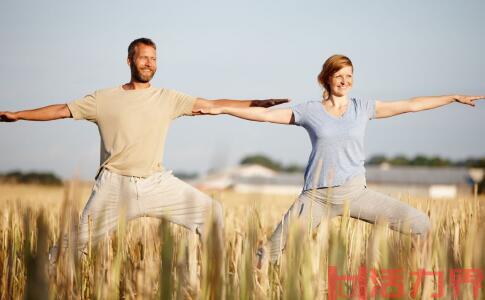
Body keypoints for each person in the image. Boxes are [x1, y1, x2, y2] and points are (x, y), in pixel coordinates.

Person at [0, 38, 288, 262]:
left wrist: (254, 103)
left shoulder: (167, 98)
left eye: (153, 58)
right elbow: (62, 110)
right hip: (114, 187)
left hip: (156, 183)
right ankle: (40, 283)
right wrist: (19, 114)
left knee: (212, 213)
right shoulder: (103, 99)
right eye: (143, 57)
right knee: (71, 248)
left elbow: (211, 105)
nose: (149, 63)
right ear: (129, 60)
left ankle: (215, 279)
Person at [196, 54, 485, 264]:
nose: (344, 81)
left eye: (349, 76)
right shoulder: (310, 111)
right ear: (326, 78)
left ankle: (421, 283)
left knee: (421, 224)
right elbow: (264, 115)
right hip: (316, 198)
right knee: (270, 252)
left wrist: (452, 97)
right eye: (339, 75)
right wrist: (222, 109)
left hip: (354, 193)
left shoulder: (363, 107)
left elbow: (410, 105)